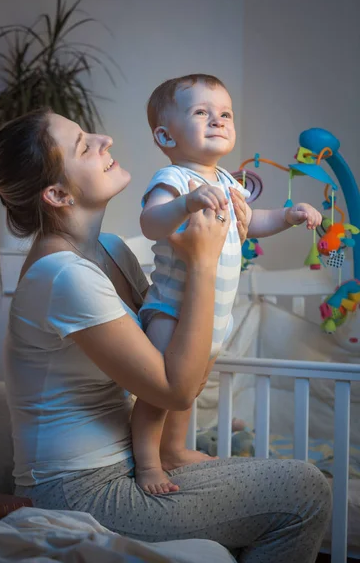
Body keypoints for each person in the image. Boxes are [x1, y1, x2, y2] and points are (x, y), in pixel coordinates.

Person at [0, 109, 331, 563]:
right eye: (84, 144)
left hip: (131, 466)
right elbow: (176, 389)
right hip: (79, 491)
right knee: (304, 492)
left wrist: (224, 249)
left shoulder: (112, 251)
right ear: (57, 194)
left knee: (298, 481)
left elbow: (183, 357)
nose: (106, 139)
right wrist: (201, 262)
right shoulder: (62, 277)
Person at [133, 73, 323, 493]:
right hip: (171, 308)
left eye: (225, 114)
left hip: (214, 316)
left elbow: (252, 223)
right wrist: (185, 203)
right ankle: (147, 463)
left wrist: (288, 218)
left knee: (190, 386)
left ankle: (175, 449)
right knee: (160, 389)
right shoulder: (175, 180)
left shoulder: (228, 182)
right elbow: (150, 223)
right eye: (201, 112)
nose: (217, 120)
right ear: (165, 136)